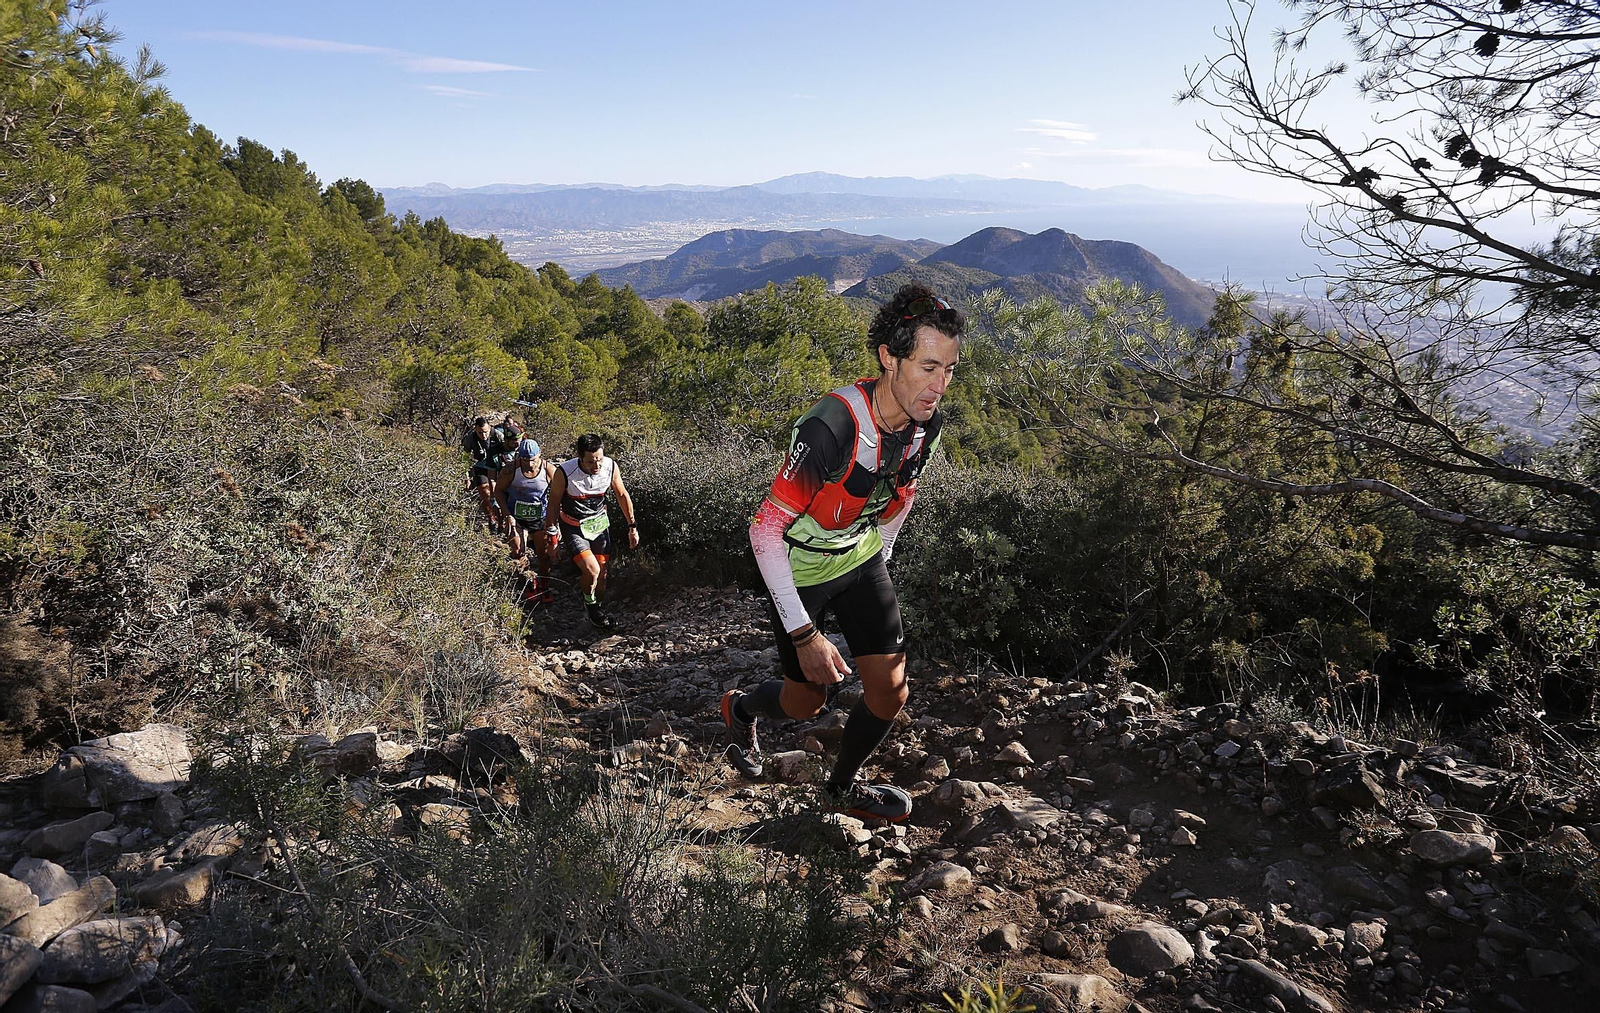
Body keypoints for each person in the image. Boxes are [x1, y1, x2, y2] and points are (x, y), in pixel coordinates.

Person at [721, 284, 964, 823]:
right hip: (799, 569)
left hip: (861, 558)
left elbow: (904, 494)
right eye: (927, 367)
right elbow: (765, 531)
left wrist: (885, 561)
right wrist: (806, 636)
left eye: (949, 370)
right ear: (889, 357)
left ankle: (839, 790)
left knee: (890, 694)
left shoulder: (927, 425)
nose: (939, 386)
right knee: (807, 702)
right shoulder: (831, 425)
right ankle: (740, 709)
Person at [543, 434, 640, 630]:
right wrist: (552, 537)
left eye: (599, 460)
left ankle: (598, 607)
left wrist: (632, 527)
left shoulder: (610, 466)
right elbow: (553, 504)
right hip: (574, 527)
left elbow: (622, 495)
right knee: (592, 570)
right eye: (590, 462)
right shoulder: (564, 472)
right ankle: (590, 606)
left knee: (602, 576)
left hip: (599, 525)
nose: (596, 466)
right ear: (579, 457)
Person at [496, 438, 558, 607]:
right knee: (517, 551)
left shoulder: (549, 469)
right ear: (519, 457)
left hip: (540, 518)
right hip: (516, 517)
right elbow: (498, 491)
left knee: (543, 554)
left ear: (540, 456)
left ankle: (544, 584)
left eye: (533, 459)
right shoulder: (510, 470)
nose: (529, 464)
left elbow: (559, 494)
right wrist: (507, 514)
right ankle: (529, 582)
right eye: (525, 459)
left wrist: (554, 521)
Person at [464, 413, 522, 526]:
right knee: (485, 494)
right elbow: (464, 458)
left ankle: (502, 520)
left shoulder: (498, 435)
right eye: (480, 432)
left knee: (500, 494)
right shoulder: (470, 438)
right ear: (475, 429)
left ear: (489, 428)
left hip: (497, 467)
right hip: (481, 467)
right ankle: (491, 519)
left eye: (485, 432)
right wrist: (466, 476)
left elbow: (507, 449)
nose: (483, 435)